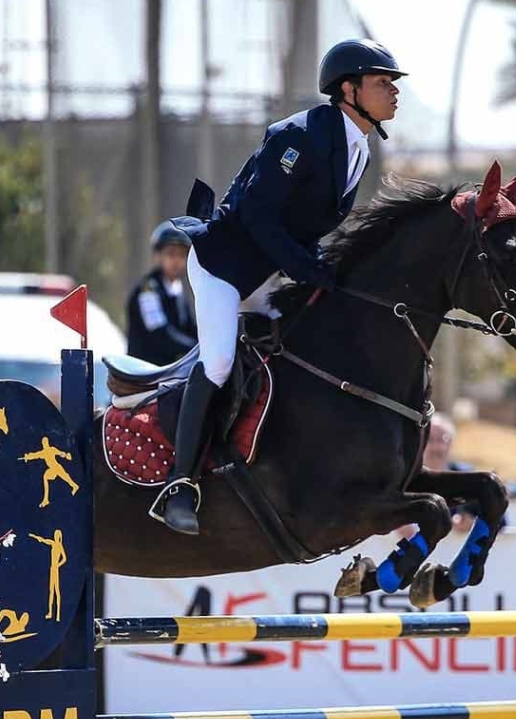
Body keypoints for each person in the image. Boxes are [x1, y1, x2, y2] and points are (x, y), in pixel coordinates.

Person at [152, 38, 406, 535]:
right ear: (348, 90)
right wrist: (305, 267)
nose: (393, 93)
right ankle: (179, 485)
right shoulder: (299, 136)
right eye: (382, 83)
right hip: (226, 267)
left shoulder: (358, 147)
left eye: (393, 84)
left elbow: (304, 227)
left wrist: (319, 268)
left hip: (272, 269)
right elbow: (259, 216)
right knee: (220, 359)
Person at [363, 412, 465, 719]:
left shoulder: (466, 476)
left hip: (446, 592)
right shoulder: (402, 476)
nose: (437, 446)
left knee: (434, 667)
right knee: (390, 664)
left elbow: (502, 520)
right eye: (431, 439)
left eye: (443, 440)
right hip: (393, 589)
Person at [125, 222, 198, 365]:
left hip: (168, 373)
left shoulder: (179, 290)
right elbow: (159, 333)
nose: (177, 260)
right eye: (171, 254)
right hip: (143, 375)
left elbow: (191, 329)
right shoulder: (147, 290)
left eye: (182, 255)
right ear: (158, 256)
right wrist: (194, 347)